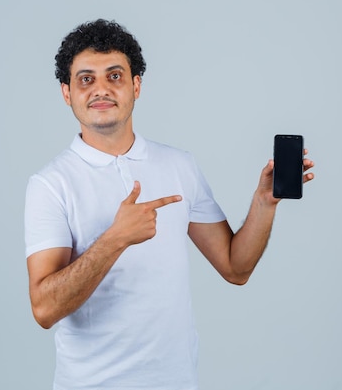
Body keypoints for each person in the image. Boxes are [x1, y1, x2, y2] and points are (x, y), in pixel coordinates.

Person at [25, 19, 314, 390]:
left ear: (136, 86)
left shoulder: (179, 166)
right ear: (67, 93)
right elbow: (44, 309)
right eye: (86, 79)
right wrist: (116, 239)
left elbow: (235, 267)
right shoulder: (50, 184)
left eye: (115, 76)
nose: (101, 89)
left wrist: (264, 203)